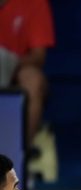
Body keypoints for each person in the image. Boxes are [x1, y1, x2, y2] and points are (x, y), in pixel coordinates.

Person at [0, 0, 54, 144]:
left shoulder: (35, 3)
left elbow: (38, 56)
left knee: (33, 79)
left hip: (16, 69)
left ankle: (21, 151)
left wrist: (10, 63)